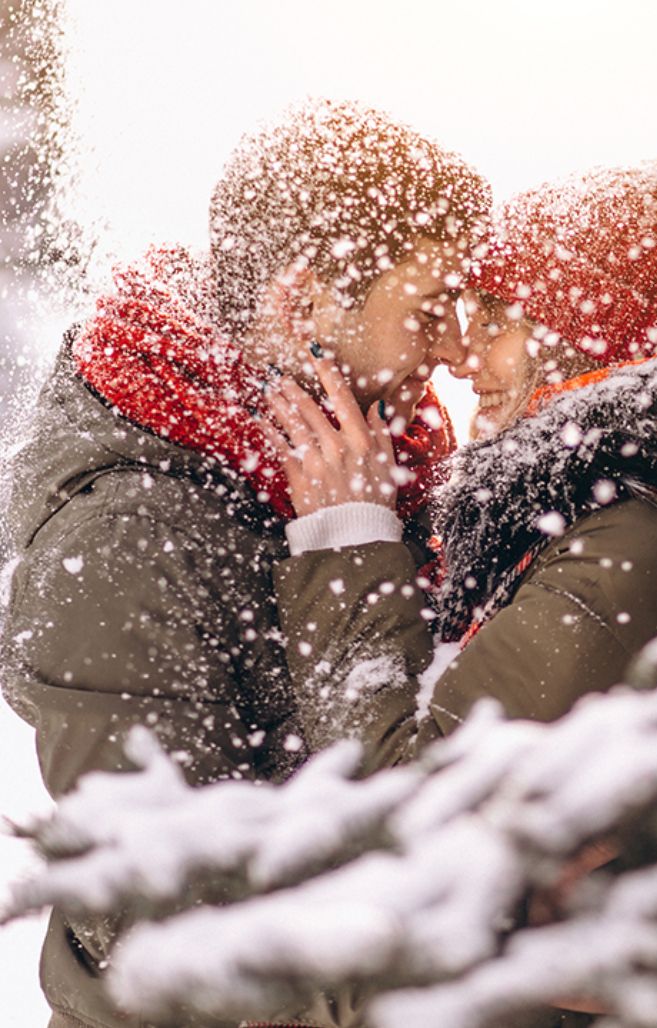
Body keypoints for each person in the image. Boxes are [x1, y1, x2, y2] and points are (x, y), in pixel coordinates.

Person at [266, 136, 657, 1025]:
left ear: (580, 333)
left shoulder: (634, 547)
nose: (462, 356)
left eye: (495, 319)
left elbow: (413, 808)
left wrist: (347, 536)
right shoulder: (597, 520)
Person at [1, 98, 491, 1028]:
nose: (457, 349)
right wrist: (496, 970)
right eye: (429, 308)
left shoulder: (370, 469)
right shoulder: (130, 540)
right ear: (301, 304)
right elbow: (167, 927)